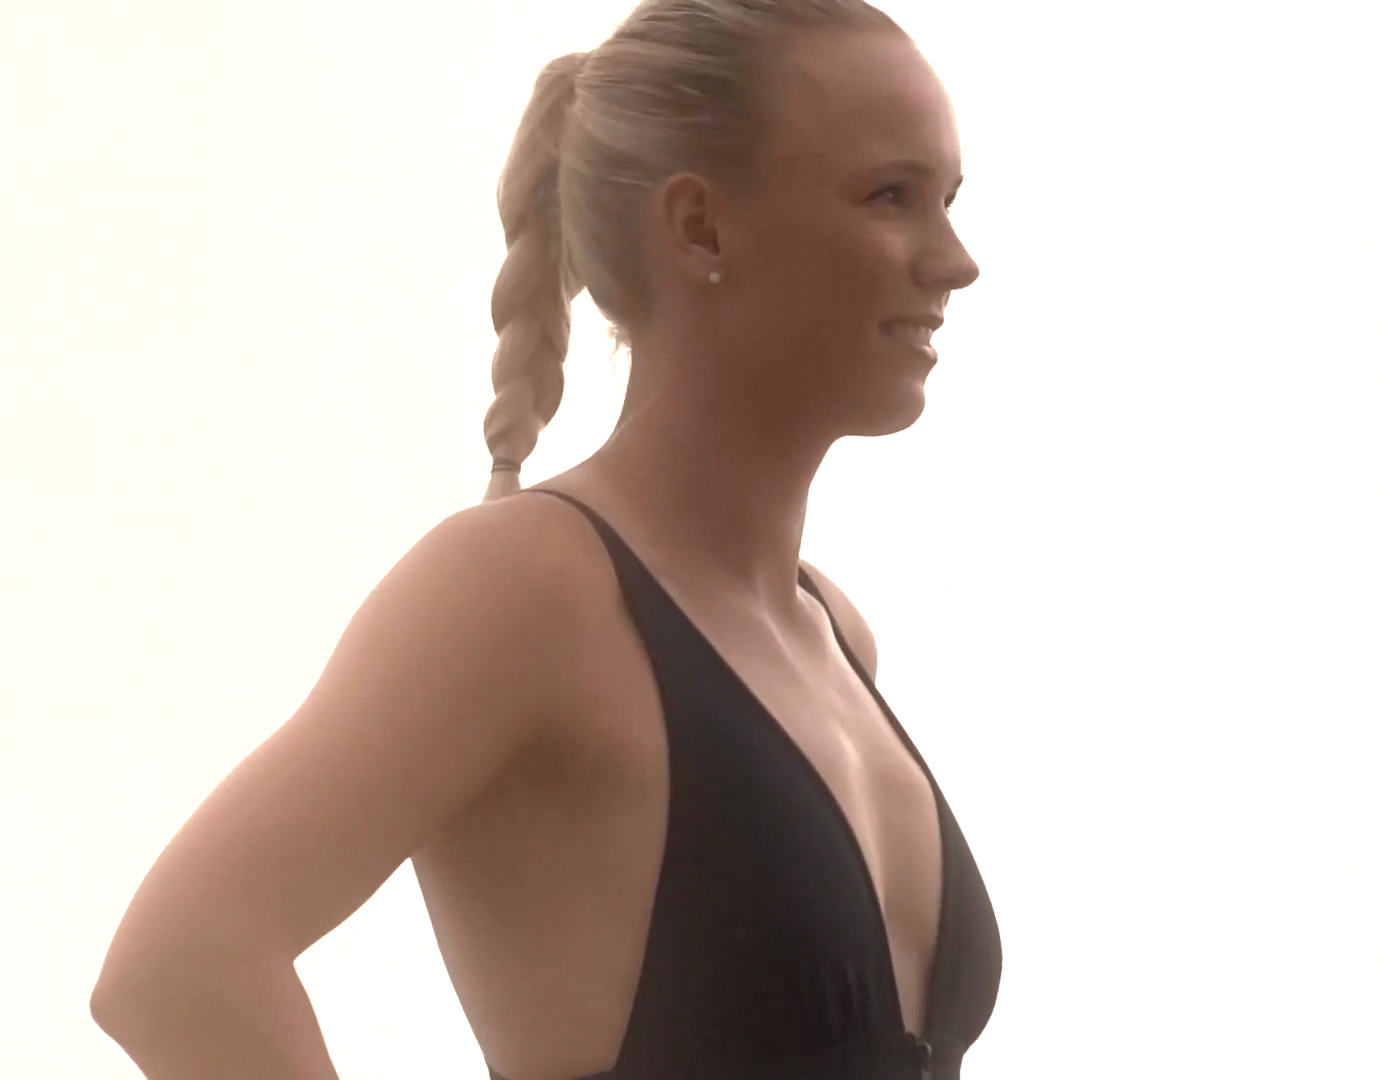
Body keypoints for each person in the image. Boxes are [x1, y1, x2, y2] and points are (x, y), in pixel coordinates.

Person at [87, 1, 1001, 1076]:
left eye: (948, 201)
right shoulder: (528, 590)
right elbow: (179, 965)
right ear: (699, 227)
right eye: (891, 196)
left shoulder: (833, 629)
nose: (956, 262)